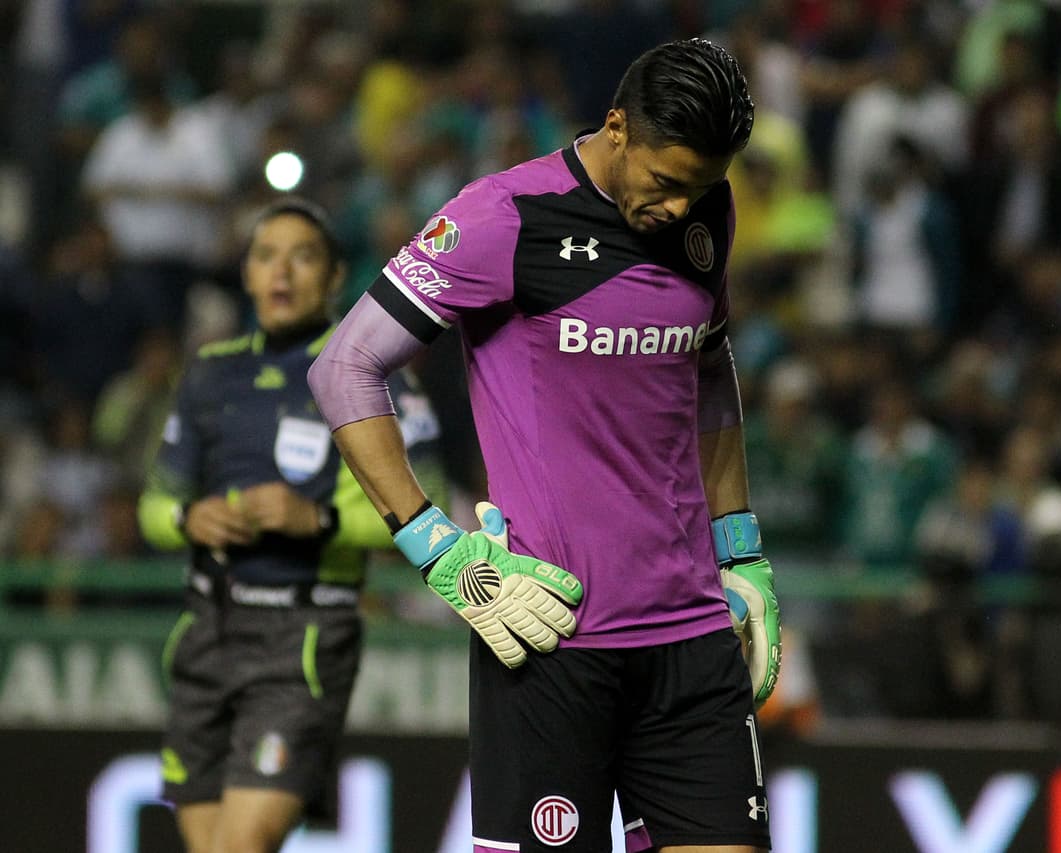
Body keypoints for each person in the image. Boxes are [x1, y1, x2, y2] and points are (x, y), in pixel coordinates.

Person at [308, 38, 780, 853]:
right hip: (550, 632)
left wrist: (740, 553)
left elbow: (707, 369)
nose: (680, 208)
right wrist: (437, 548)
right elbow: (345, 367)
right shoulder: (503, 216)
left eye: (700, 187)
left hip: (692, 635)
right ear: (616, 127)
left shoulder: (709, 208)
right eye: (667, 183)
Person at [137, 197, 444, 853]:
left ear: (335, 277)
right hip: (205, 629)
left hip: (303, 636)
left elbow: (428, 504)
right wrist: (190, 517)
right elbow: (153, 507)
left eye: (303, 257)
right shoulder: (211, 370)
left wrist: (320, 517)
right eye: (266, 256)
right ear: (245, 274)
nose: (283, 273)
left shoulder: (366, 370)